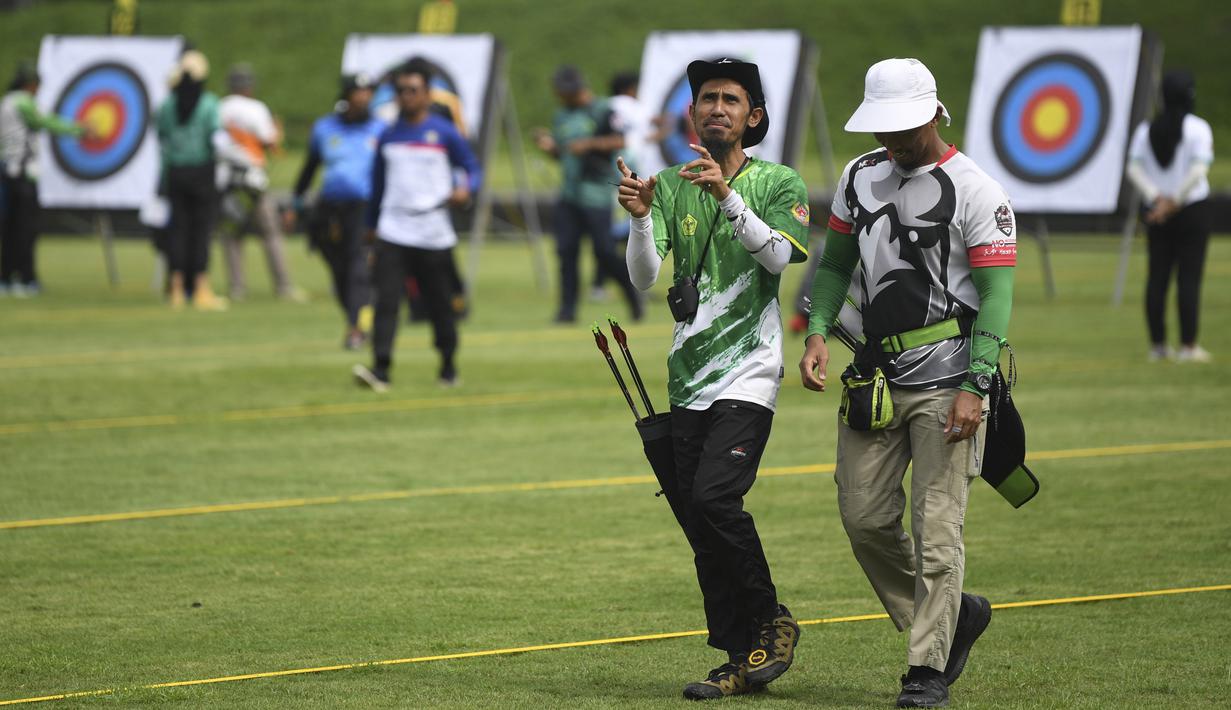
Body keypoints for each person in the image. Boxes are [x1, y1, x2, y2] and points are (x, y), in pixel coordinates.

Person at [800, 58, 1014, 708]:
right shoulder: (858, 175)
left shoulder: (976, 189)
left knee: (936, 530)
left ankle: (926, 669)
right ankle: (955, 615)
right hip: (873, 375)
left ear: (933, 113)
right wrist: (817, 330)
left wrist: (976, 385)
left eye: (903, 126)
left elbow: (996, 295)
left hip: (949, 380)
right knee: (863, 518)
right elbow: (834, 264)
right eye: (882, 127)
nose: (890, 139)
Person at [617, 58, 808, 701]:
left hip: (750, 371)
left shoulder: (778, 181)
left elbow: (778, 258)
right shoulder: (672, 184)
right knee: (700, 526)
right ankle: (738, 657)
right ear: (692, 112)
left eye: (730, 99)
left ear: (753, 116)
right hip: (687, 377)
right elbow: (644, 276)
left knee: (714, 500)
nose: (717, 108)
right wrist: (642, 217)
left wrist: (728, 197)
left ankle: (772, 619)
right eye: (706, 98)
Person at [352, 60, 481, 392]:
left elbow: (471, 168)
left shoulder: (444, 132)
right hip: (393, 229)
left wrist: (465, 189)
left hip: (432, 231)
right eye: (400, 90)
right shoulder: (388, 135)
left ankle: (448, 365)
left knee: (440, 304)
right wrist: (370, 226)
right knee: (386, 301)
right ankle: (381, 369)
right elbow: (378, 186)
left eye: (412, 90)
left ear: (426, 94)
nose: (406, 96)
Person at [534, 65, 642, 324]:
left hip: (595, 193)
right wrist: (550, 148)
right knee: (566, 251)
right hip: (569, 193)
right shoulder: (562, 116)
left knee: (604, 251)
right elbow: (564, 153)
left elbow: (619, 140)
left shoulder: (603, 110)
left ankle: (632, 294)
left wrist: (589, 144)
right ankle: (567, 311)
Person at [291, 72, 386, 349]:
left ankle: (356, 327)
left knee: (358, 266)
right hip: (330, 210)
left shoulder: (380, 129)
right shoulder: (325, 128)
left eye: (368, 92)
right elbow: (310, 167)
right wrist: (296, 202)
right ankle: (358, 320)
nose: (364, 97)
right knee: (340, 271)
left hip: (363, 208)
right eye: (359, 92)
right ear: (347, 95)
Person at [1125, 70, 1215, 364]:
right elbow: (1198, 171)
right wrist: (1174, 201)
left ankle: (1158, 346)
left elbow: (1134, 169)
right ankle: (1188, 346)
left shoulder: (1146, 129)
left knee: (1157, 278)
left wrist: (1157, 199)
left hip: (1157, 213)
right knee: (1188, 279)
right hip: (1191, 210)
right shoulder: (1198, 128)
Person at [217, 62, 305, 302]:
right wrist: (277, 132)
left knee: (232, 235)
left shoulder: (219, 108)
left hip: (227, 180)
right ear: (249, 86)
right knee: (271, 233)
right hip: (253, 181)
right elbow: (270, 141)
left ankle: (237, 288)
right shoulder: (256, 108)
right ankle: (283, 286)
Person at [0, 61, 86, 297]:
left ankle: (6, 278)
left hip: (8, 174)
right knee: (25, 229)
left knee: (9, 229)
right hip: (22, 176)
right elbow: (47, 122)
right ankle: (26, 279)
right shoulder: (23, 103)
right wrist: (79, 129)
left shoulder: (6, 102)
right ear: (30, 85)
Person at [155, 50, 227, 311]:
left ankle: (175, 288)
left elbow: (162, 137)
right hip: (202, 173)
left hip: (175, 173)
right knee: (201, 232)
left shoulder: (167, 105)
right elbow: (217, 140)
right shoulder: (209, 103)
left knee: (178, 230)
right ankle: (200, 288)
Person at [590, 70, 654, 303]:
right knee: (632, 229)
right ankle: (634, 284)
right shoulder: (636, 107)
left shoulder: (605, 106)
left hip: (609, 174)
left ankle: (599, 285)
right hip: (632, 173)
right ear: (630, 88)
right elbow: (648, 132)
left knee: (610, 233)